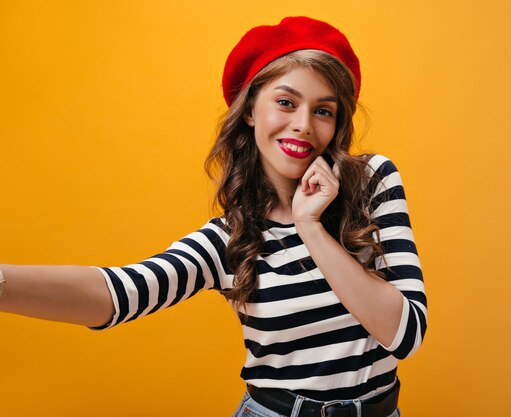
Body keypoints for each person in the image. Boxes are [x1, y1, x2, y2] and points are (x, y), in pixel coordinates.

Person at [0, 16, 427, 417]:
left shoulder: (372, 183)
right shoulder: (232, 238)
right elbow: (119, 293)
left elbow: (405, 334)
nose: (303, 124)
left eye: (323, 110)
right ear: (249, 110)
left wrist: (310, 226)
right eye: (285, 102)